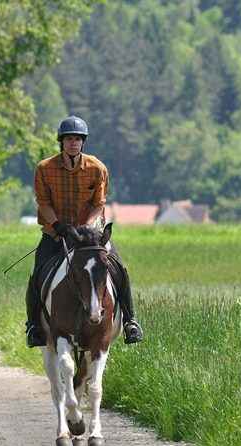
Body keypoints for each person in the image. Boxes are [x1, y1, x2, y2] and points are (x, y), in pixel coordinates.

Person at [24, 115, 144, 347]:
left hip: (90, 236)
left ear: (83, 142)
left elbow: (99, 204)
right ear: (61, 142)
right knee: (37, 274)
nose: (73, 143)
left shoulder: (97, 169)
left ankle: (130, 321)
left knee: (120, 268)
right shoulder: (44, 169)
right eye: (69, 139)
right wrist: (58, 225)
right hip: (56, 233)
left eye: (77, 139)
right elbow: (43, 203)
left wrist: (85, 228)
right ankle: (34, 326)